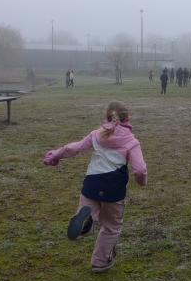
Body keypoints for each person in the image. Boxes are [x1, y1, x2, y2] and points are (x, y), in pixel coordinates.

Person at [43, 101, 148, 272]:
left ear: (107, 116)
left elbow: (73, 148)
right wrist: (142, 182)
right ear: (127, 118)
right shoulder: (131, 142)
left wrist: (55, 155)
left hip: (91, 185)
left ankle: (86, 223)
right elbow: (140, 170)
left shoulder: (96, 134)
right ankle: (100, 262)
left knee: (88, 210)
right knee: (111, 227)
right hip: (113, 190)